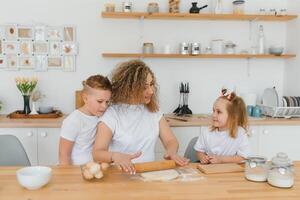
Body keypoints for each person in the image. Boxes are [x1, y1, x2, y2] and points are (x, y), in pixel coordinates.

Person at [93, 60, 189, 174]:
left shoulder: (154, 111)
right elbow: (97, 153)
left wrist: (171, 152)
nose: (151, 91)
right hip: (120, 176)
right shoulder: (112, 114)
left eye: (152, 84)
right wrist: (115, 156)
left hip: (148, 174)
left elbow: (170, 140)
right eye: (145, 87)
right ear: (129, 88)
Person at [59, 75, 112, 165]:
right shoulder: (74, 120)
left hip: (93, 170)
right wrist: (68, 177)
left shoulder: (102, 116)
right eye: (100, 101)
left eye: (107, 102)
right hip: (76, 172)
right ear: (85, 98)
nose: (104, 106)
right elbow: (64, 155)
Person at [194, 89, 250, 164]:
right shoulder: (207, 132)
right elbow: (199, 151)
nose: (214, 115)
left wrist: (221, 159)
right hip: (210, 170)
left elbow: (242, 158)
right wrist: (202, 157)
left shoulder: (241, 133)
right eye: (213, 111)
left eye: (219, 112)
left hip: (229, 172)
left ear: (233, 117)